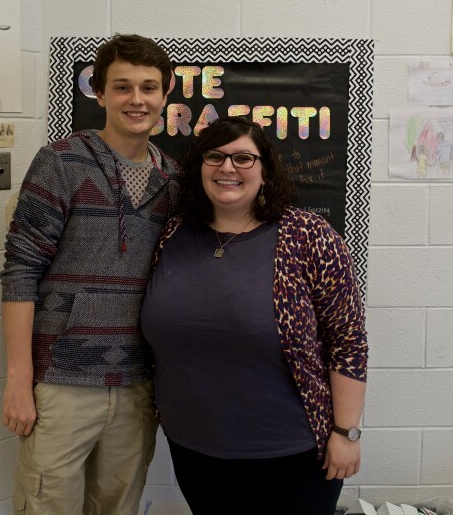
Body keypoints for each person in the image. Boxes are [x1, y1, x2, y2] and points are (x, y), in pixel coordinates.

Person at [140, 116, 368, 515]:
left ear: (265, 171)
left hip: (292, 454)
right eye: (216, 157)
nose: (228, 168)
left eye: (244, 158)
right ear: (200, 167)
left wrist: (345, 433)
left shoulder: (309, 236)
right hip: (194, 449)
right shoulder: (172, 234)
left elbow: (347, 341)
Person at [0, 34, 178, 515]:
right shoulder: (59, 162)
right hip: (60, 379)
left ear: (166, 94)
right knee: (45, 506)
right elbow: (20, 273)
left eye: (148, 87)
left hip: (137, 384)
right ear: (98, 93)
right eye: (122, 87)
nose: (136, 100)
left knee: (118, 507)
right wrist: (19, 380)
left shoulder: (175, 180)